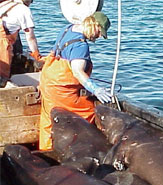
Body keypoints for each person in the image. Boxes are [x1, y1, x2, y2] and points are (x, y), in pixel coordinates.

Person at [39, 11, 112, 151]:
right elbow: (78, 72)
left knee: (49, 119)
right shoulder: (80, 46)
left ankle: (45, 151)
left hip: (47, 80)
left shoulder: (68, 28)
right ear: (94, 25)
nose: (97, 37)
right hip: (61, 89)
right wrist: (95, 89)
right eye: (99, 32)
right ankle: (77, 149)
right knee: (89, 113)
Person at [0, 0, 41, 86]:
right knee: (3, 78)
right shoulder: (24, 10)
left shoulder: (5, 4)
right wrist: (36, 55)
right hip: (2, 44)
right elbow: (30, 37)